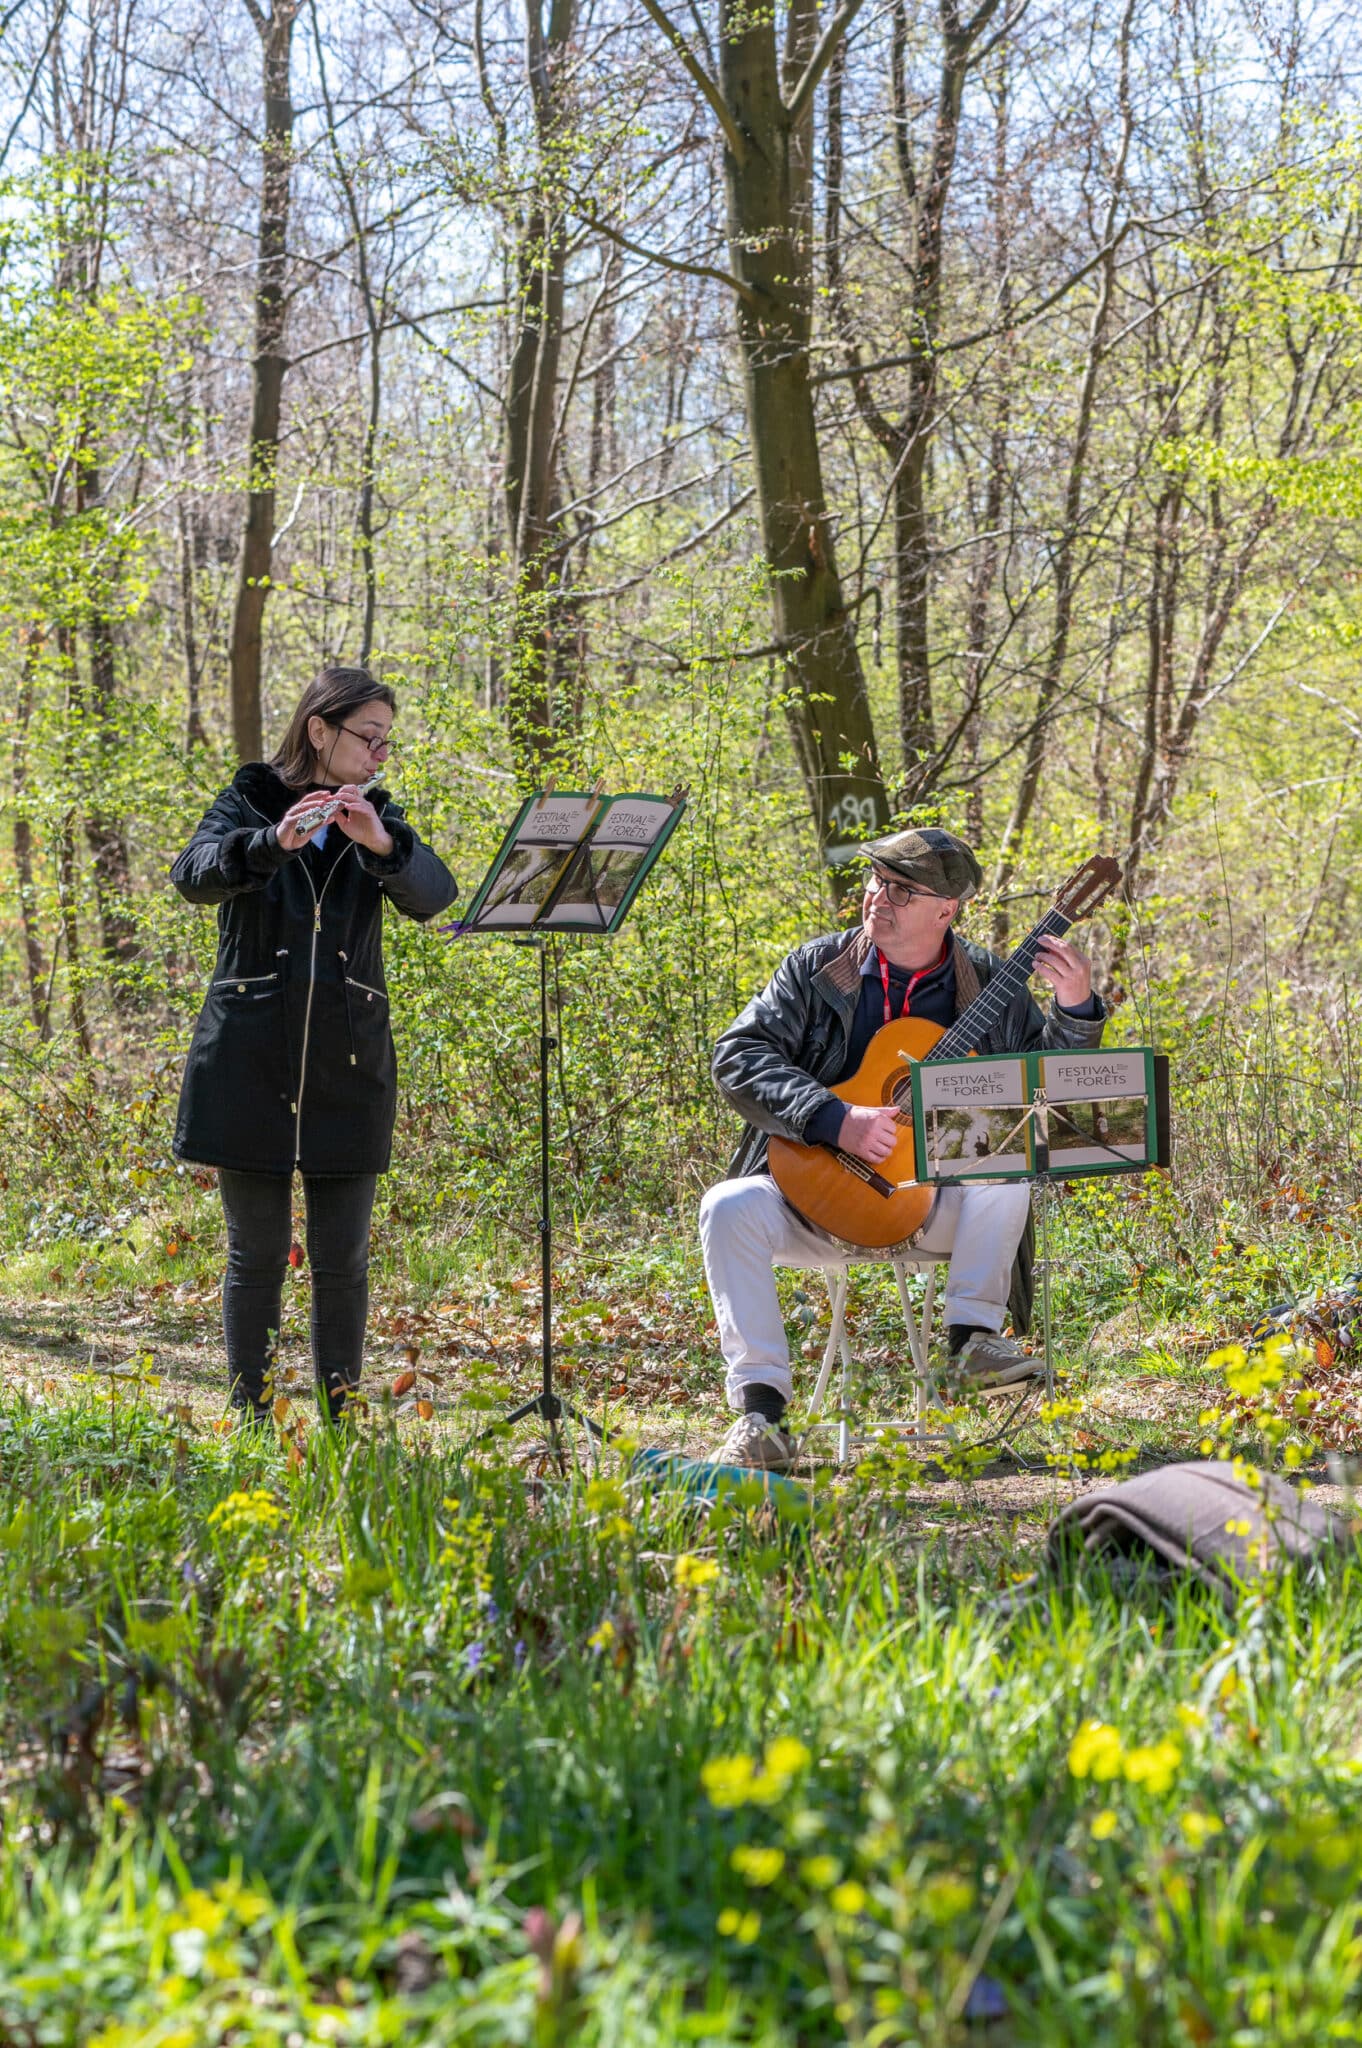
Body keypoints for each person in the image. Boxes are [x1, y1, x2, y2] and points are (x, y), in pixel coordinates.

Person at [700, 826, 1107, 1470]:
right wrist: (832, 1117)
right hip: (816, 1195)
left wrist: (1076, 1009)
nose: (876, 897)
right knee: (726, 1206)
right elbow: (738, 1055)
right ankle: (761, 1414)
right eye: (874, 881)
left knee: (1007, 1161)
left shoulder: (992, 985)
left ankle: (973, 1340)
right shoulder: (815, 970)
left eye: (900, 889)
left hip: (936, 1213)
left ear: (947, 910)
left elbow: (1052, 1102)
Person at [170, 666, 458, 1425]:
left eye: (387, 742)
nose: (379, 755)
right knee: (255, 1255)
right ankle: (251, 1419)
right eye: (369, 738)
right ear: (319, 729)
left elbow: (434, 896)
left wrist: (384, 845)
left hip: (348, 1063)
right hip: (249, 1059)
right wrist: (269, 843)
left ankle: (341, 1420)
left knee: (344, 1262)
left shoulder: (380, 816)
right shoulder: (248, 799)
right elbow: (192, 875)